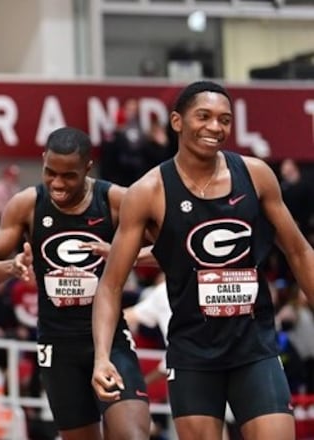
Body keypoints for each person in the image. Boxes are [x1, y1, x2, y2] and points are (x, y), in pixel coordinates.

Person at [91, 80, 313, 440]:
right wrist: (102, 356)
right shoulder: (148, 191)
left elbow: (299, 251)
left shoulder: (255, 176)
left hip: (254, 347)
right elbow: (111, 284)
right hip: (193, 354)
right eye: (204, 116)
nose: (215, 127)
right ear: (177, 122)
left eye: (224, 119)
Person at [0, 126, 151, 440]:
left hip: (109, 339)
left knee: (131, 436)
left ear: (88, 167)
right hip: (57, 343)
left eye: (68, 176)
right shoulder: (26, 205)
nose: (57, 183)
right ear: (43, 160)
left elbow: (174, 249)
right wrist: (11, 266)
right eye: (50, 172)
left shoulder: (115, 200)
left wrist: (127, 254)